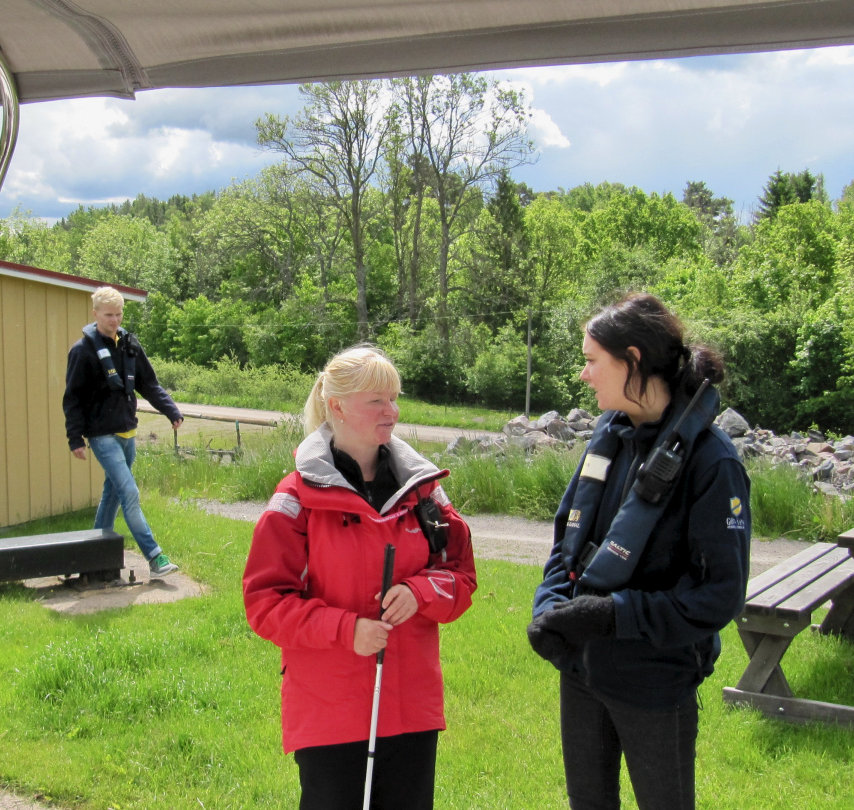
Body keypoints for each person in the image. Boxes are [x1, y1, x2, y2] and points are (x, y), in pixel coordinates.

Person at [527, 292, 751, 810]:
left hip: (655, 681)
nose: (583, 374)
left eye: (590, 361)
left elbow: (720, 596)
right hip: (583, 670)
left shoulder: (712, 464)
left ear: (631, 360)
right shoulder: (610, 432)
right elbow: (568, 539)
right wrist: (550, 611)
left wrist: (613, 616)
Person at [243, 346, 476, 810]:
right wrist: (346, 630)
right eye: (376, 401)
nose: (391, 411)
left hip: (411, 706)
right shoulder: (295, 499)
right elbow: (265, 605)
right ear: (336, 407)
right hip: (329, 710)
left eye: (394, 398)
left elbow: (461, 578)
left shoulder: (426, 491)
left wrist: (420, 591)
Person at [63, 286, 184, 577]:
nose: (114, 320)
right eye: (108, 315)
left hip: (128, 433)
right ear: (95, 314)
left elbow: (149, 383)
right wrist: (74, 438)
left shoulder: (130, 344)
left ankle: (91, 557)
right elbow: (73, 398)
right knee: (129, 492)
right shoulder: (82, 352)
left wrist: (171, 410)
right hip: (102, 436)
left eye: (118, 315)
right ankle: (155, 558)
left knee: (113, 494)